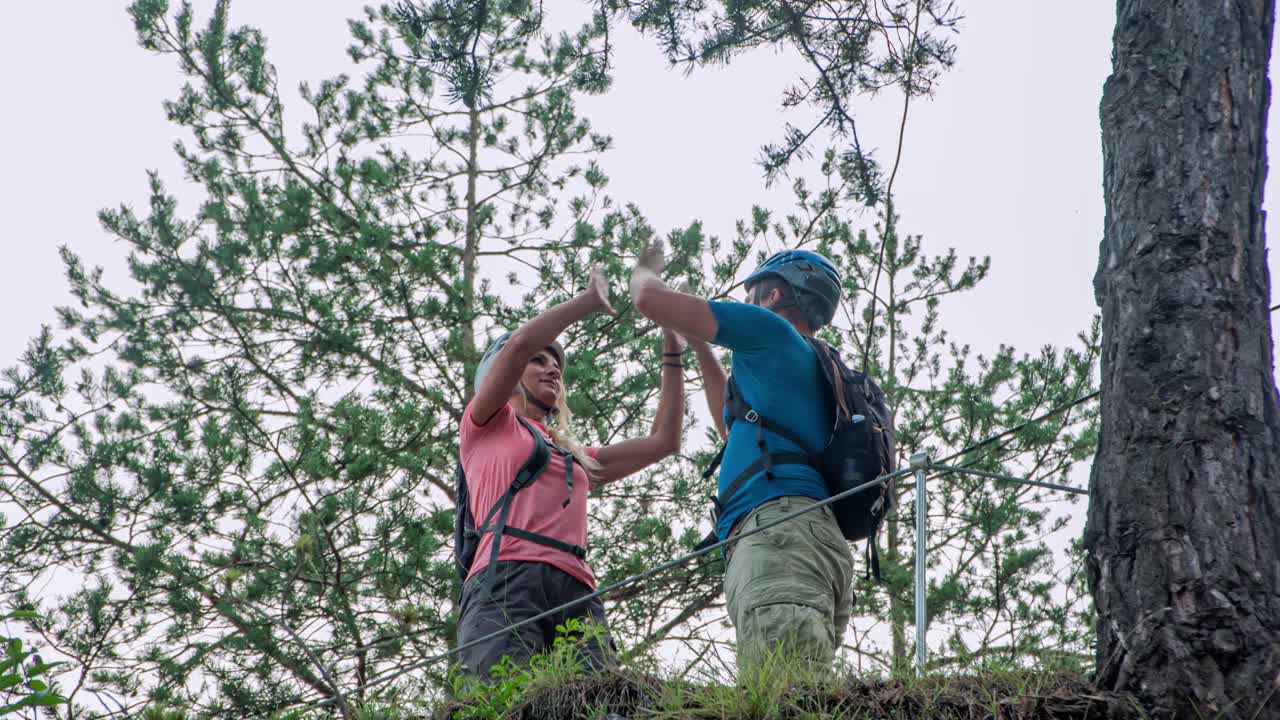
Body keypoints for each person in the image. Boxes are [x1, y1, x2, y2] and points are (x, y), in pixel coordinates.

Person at [630, 243, 853, 675]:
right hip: (802, 535)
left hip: (780, 536)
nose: (748, 302)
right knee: (795, 687)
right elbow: (732, 426)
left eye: (754, 293)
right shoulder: (799, 365)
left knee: (784, 693)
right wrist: (693, 343)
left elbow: (647, 299)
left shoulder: (769, 330)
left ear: (772, 295)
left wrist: (646, 270)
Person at [457, 267, 685, 678]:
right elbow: (521, 341)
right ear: (502, 372)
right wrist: (587, 301)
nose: (552, 369)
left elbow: (664, 441)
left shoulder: (570, 454)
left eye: (556, 363)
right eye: (538, 361)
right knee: (504, 702)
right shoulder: (485, 423)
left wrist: (673, 349)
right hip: (506, 577)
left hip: (576, 588)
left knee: (597, 702)